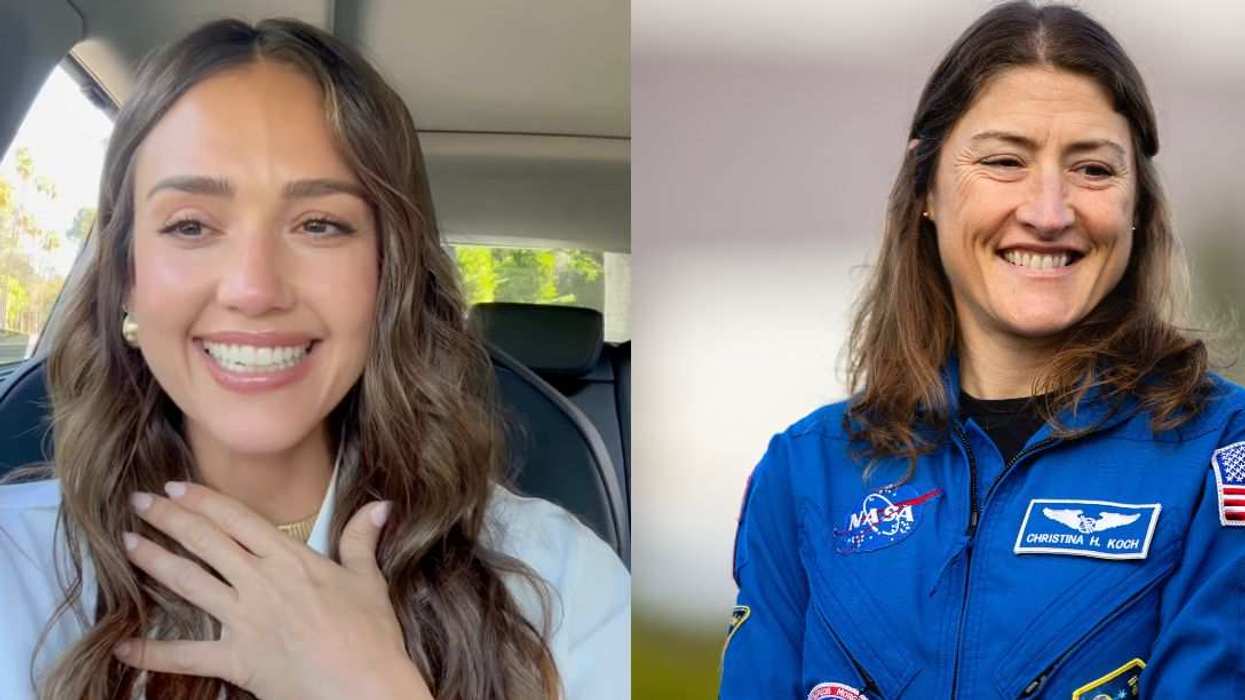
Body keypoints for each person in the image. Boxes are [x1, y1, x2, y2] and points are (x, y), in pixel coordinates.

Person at [0, 18, 629, 700]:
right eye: (190, 225)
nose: (253, 289)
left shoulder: (560, 584)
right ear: (126, 273)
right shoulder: (18, 567)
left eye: (319, 225)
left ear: (389, 273)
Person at [719, 2, 1243, 698]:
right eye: (1003, 161)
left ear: (1137, 207)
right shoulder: (807, 470)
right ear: (926, 188)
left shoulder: (1222, 452)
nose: (1048, 211)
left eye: (1092, 169)